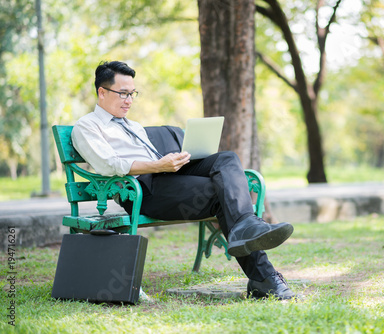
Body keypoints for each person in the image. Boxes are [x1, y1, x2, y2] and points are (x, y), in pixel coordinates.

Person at [71, 60, 298, 300]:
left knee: (227, 159)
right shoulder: (87, 127)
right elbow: (110, 164)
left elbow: (155, 158)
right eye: (123, 93)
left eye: (132, 94)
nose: (129, 100)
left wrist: (178, 160)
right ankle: (263, 276)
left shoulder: (133, 126)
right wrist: (159, 165)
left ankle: (247, 228)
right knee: (221, 193)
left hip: (166, 175)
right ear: (102, 92)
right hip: (140, 190)